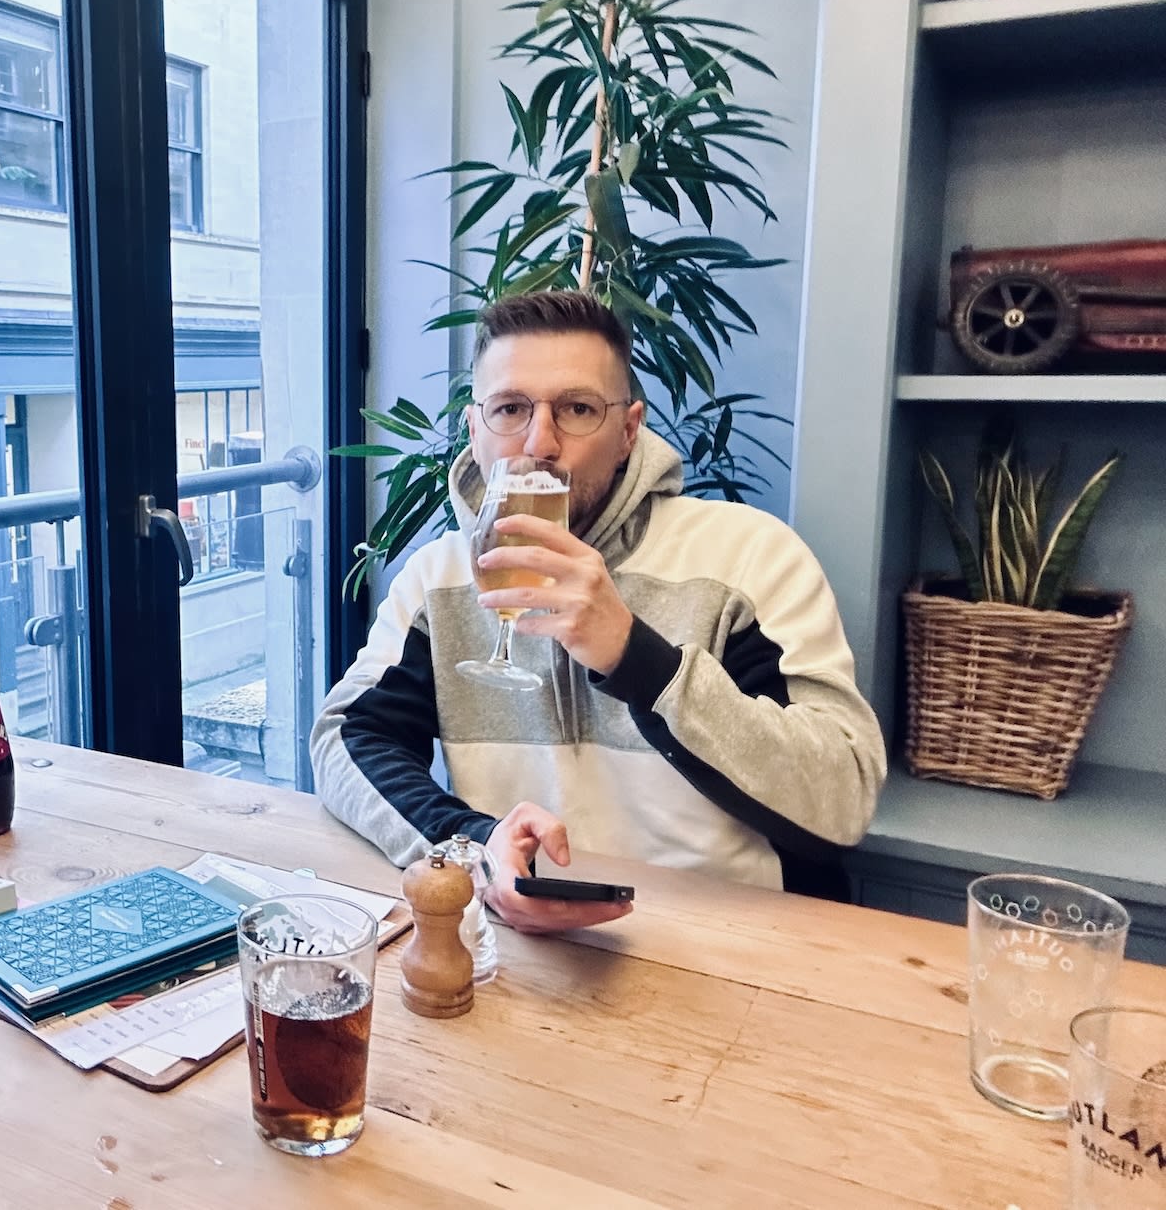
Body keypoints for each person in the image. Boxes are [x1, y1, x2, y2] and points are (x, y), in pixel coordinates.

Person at [312, 289, 886, 934]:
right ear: (475, 430)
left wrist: (638, 659)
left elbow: (843, 798)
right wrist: (472, 846)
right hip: (523, 946)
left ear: (628, 430)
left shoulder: (751, 558)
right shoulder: (440, 577)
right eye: (510, 409)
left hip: (731, 947)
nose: (540, 441)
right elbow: (349, 737)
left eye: (578, 409)